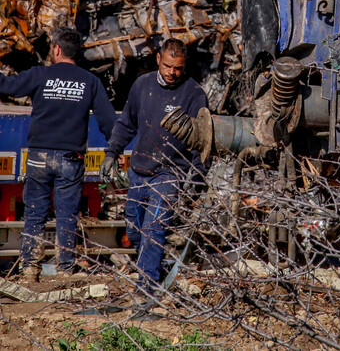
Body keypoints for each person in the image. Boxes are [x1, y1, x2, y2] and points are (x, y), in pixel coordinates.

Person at [0, 27, 117, 279]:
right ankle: (65, 269)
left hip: (38, 157)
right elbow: (109, 122)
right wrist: (114, 151)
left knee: (34, 212)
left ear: (56, 49)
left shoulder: (40, 75)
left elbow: (8, 85)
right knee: (67, 214)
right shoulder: (90, 81)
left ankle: (30, 267)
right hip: (70, 159)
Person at [99, 38, 207, 295]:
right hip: (139, 170)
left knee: (153, 230)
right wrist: (111, 154)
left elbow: (203, 141)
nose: (172, 72)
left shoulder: (194, 94)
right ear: (158, 59)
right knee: (134, 232)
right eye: (168, 66)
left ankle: (146, 287)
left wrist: (198, 176)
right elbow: (126, 123)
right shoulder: (142, 85)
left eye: (178, 68)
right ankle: (154, 267)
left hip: (169, 174)